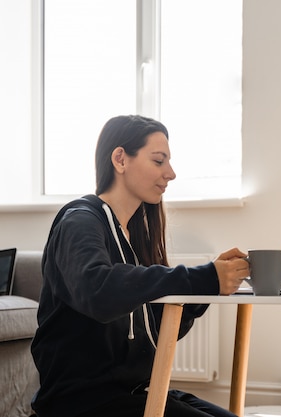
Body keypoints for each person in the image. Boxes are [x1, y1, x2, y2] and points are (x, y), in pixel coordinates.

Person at [30, 115, 250, 417]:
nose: (170, 173)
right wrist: (204, 278)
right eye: (159, 161)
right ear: (120, 159)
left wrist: (212, 284)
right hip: (84, 402)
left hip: (136, 391)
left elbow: (155, 329)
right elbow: (98, 290)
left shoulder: (134, 236)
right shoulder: (80, 220)